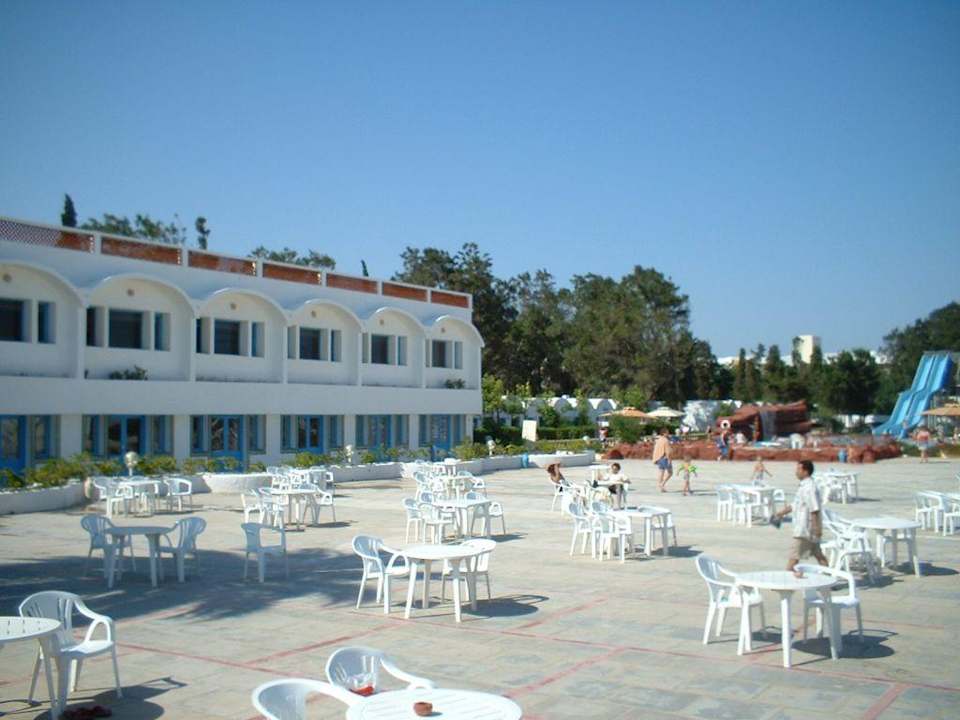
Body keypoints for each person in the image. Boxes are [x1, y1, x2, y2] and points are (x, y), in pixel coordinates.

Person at [771, 460, 828, 577]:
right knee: (818, 555)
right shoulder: (803, 486)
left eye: (798, 469)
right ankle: (830, 578)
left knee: (793, 556)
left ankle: (786, 579)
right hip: (806, 529)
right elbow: (796, 504)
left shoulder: (809, 488)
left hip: (805, 529)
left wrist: (816, 529)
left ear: (806, 471)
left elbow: (814, 509)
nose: (796, 472)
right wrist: (780, 513)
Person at [652, 427, 673, 492]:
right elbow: (668, 451)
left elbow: (655, 450)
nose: (668, 433)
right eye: (667, 432)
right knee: (670, 473)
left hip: (659, 458)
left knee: (661, 472)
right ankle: (662, 484)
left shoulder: (658, 440)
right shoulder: (666, 440)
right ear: (664, 433)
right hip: (665, 458)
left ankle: (660, 486)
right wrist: (669, 459)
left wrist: (655, 458)